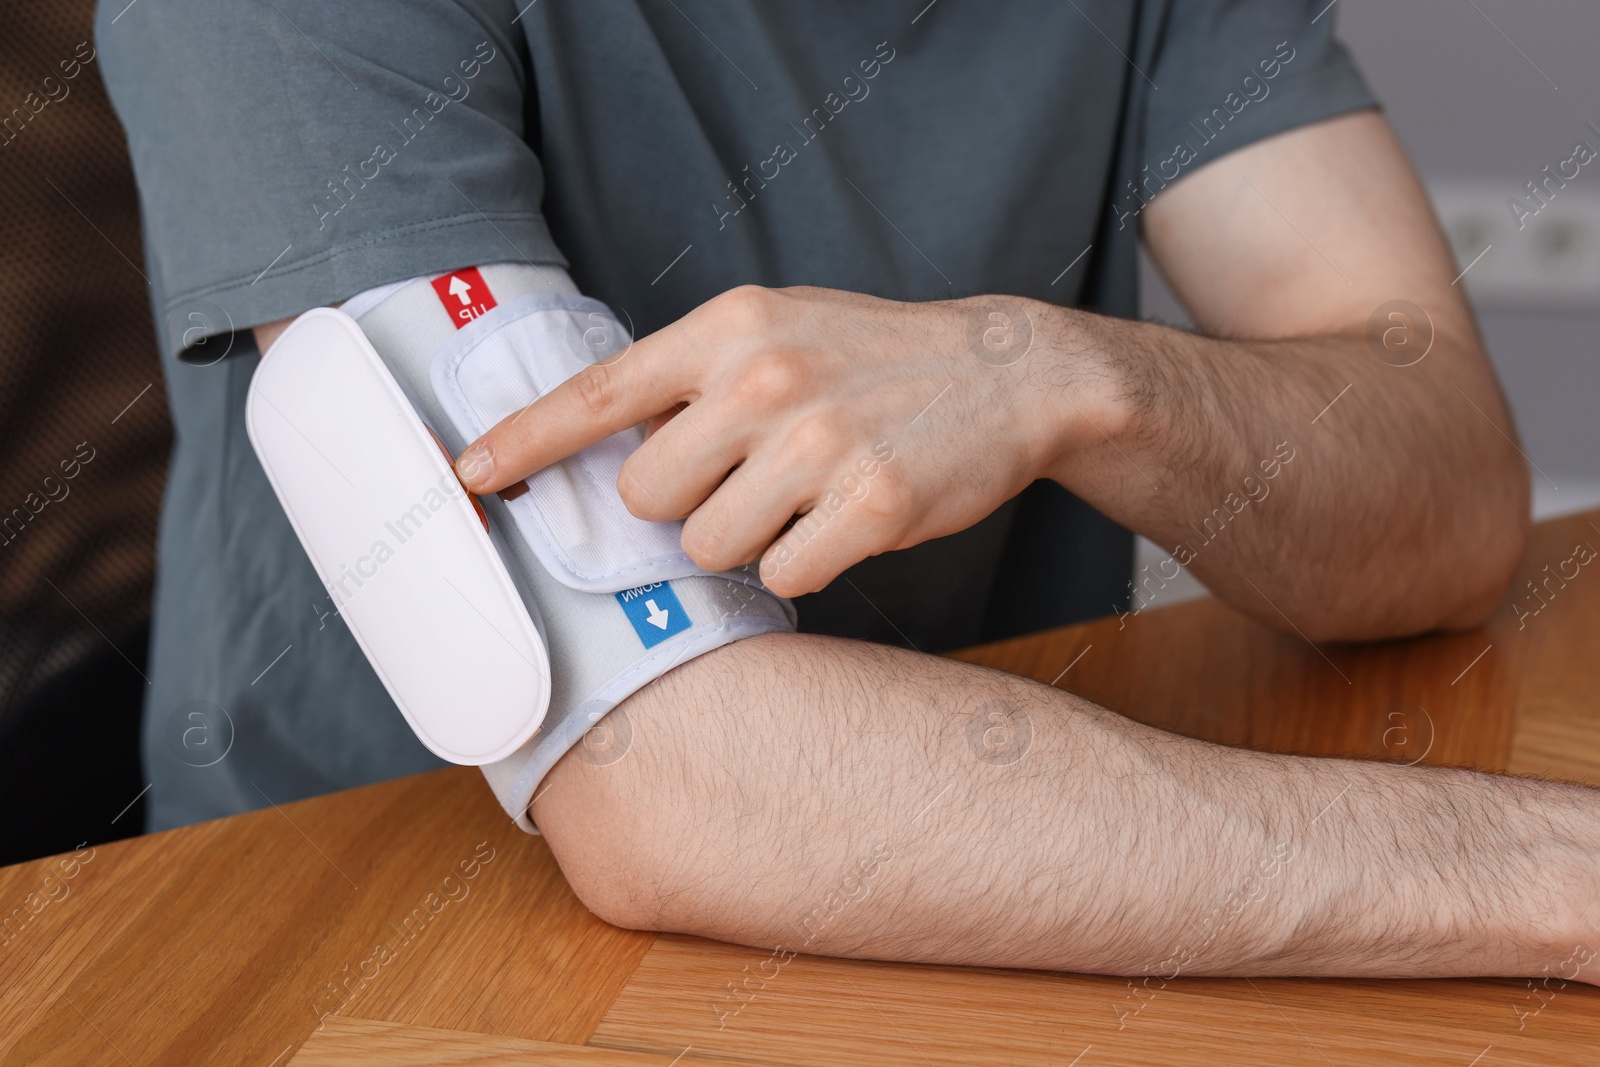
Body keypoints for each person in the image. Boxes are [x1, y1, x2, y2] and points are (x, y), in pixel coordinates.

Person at [100, 1, 1598, 982]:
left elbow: (1451, 501)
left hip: (1016, 883)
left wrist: (1064, 373)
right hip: (375, 946)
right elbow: (664, 775)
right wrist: (1554, 875)